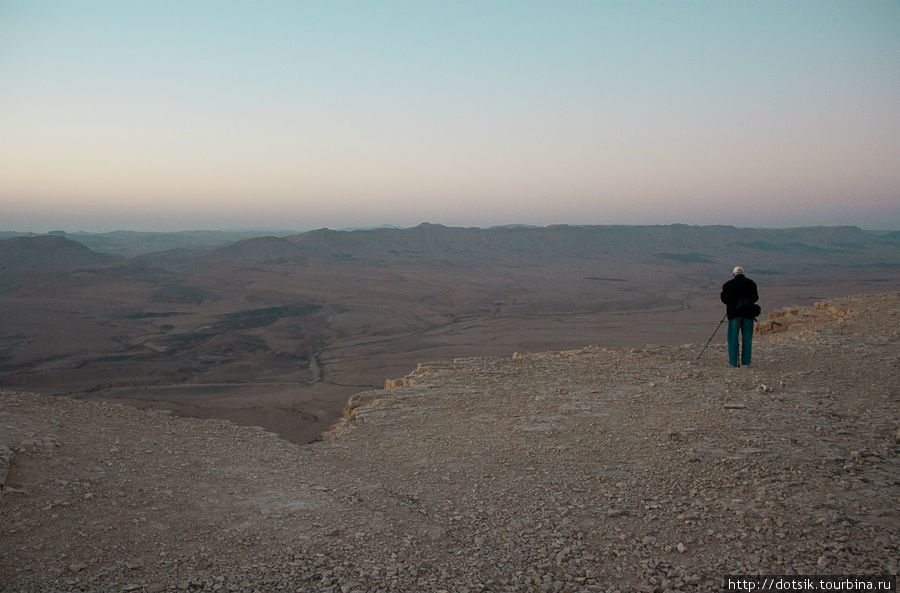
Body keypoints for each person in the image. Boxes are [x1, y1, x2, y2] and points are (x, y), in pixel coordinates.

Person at [720, 266, 759, 367]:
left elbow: (724, 299)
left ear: (734, 275)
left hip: (734, 315)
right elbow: (755, 297)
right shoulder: (751, 283)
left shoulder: (728, 284)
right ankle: (746, 362)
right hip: (748, 315)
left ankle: (733, 362)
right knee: (747, 338)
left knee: (733, 338)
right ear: (743, 273)